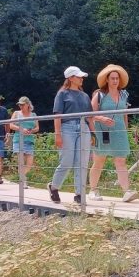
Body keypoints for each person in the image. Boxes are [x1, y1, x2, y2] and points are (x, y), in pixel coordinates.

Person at [88, 64, 138, 203]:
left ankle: (126, 191)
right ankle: (93, 190)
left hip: (119, 131)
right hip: (101, 131)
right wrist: (102, 118)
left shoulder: (124, 94)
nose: (115, 81)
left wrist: (126, 130)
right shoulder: (100, 95)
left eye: (117, 78)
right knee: (99, 160)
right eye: (112, 78)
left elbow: (124, 114)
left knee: (121, 160)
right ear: (107, 80)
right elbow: (90, 114)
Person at [48, 66, 94, 204]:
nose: (81, 79)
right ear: (71, 78)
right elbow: (57, 115)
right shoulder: (62, 94)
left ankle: (80, 194)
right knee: (66, 161)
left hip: (84, 128)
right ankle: (54, 187)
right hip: (67, 127)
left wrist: (93, 134)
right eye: (79, 76)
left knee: (82, 162)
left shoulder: (85, 96)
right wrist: (58, 134)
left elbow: (90, 116)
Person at [9, 96, 39, 189]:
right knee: (21, 161)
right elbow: (11, 125)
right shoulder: (16, 113)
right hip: (18, 139)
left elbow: (37, 127)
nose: (21, 106)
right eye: (19, 105)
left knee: (29, 163)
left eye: (22, 104)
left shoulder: (34, 115)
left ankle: (22, 178)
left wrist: (31, 130)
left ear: (27, 104)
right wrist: (21, 129)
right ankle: (23, 181)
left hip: (29, 140)